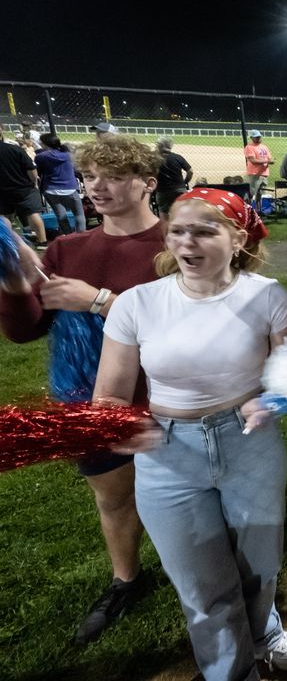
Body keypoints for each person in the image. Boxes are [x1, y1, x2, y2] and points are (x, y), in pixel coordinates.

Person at [93, 187, 287, 678]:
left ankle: (263, 633)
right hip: (167, 453)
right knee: (201, 585)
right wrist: (120, 426)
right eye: (177, 230)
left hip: (249, 443)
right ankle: (232, 671)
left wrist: (272, 397)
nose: (186, 242)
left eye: (204, 230)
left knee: (260, 566)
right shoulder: (137, 303)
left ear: (237, 240)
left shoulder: (267, 295)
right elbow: (108, 395)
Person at [0, 136, 163, 644]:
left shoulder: (174, 244)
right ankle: (126, 579)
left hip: (169, 398)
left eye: (111, 176)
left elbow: (192, 326)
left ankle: (207, 570)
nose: (96, 187)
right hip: (93, 400)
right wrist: (13, 281)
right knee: (114, 501)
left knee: (194, 500)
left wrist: (98, 300)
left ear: (147, 183)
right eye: (89, 176)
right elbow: (26, 330)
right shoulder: (68, 249)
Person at [0, 125, 47, 247]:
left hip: (2, 190)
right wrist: (34, 183)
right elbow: (31, 169)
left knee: (5, 216)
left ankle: (8, 243)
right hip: (23, 188)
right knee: (32, 213)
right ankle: (42, 241)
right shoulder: (14, 149)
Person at [36, 133, 86, 234]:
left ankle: (68, 236)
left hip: (51, 190)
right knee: (79, 215)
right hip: (70, 189)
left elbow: (39, 172)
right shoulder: (68, 155)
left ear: (44, 143)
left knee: (61, 216)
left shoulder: (40, 156)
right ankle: (81, 236)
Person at [154, 137, 193, 216]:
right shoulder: (178, 157)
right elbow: (190, 171)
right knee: (182, 213)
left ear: (160, 146)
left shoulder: (154, 158)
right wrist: (185, 181)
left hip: (162, 191)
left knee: (164, 213)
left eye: (157, 144)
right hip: (179, 189)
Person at [243, 130, 273, 209]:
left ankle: (258, 210)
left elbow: (269, 158)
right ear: (251, 138)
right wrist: (267, 161)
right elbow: (253, 161)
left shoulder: (264, 147)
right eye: (256, 137)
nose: (258, 138)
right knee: (251, 193)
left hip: (264, 173)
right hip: (254, 174)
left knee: (260, 193)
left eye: (259, 136)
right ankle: (247, 210)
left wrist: (270, 161)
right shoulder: (249, 147)